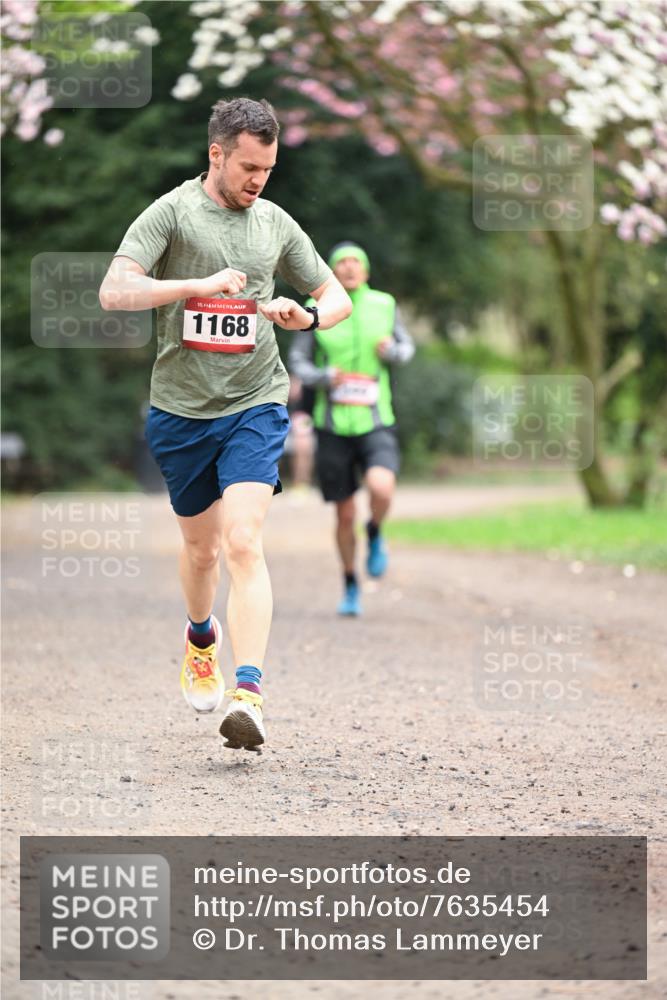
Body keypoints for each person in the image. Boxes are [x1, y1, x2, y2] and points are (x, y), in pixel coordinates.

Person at [99, 98, 351, 750]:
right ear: (216, 153)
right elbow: (114, 290)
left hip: (255, 403)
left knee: (242, 542)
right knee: (202, 550)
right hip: (180, 411)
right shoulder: (173, 213)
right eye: (247, 166)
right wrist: (193, 284)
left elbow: (335, 295)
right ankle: (200, 636)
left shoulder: (273, 224)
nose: (257, 180)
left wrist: (310, 318)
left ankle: (248, 694)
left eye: (266, 168)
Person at [289, 242, 414, 617]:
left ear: (366, 270)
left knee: (381, 486)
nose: (348, 267)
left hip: (376, 420)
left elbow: (407, 348)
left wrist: (392, 352)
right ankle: (350, 583)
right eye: (340, 262)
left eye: (355, 262)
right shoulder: (318, 310)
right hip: (332, 425)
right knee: (343, 516)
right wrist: (323, 376)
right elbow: (297, 359)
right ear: (330, 271)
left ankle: (375, 530)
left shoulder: (385, 305)